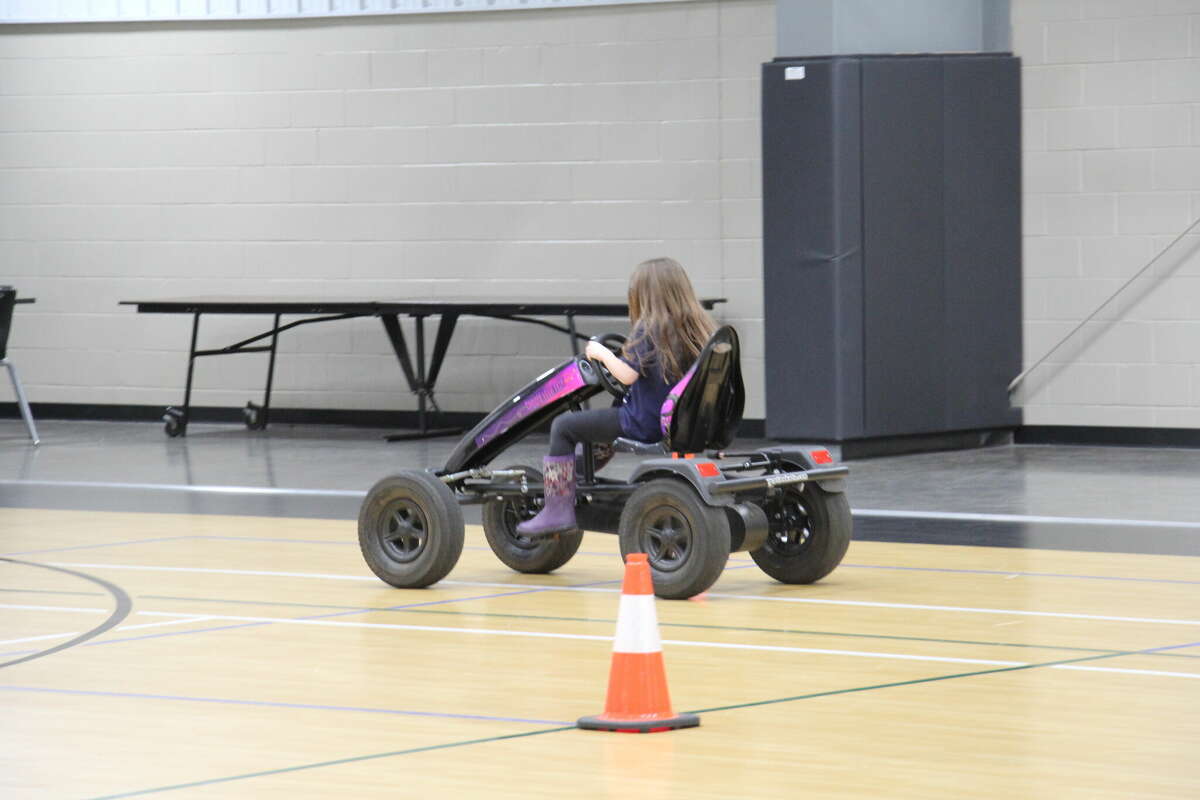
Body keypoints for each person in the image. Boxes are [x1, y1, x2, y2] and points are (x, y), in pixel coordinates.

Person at [516, 257, 716, 537]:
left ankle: (557, 508)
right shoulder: (697, 328)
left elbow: (627, 375)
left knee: (564, 426)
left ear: (645, 294)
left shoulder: (650, 327)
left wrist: (601, 354)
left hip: (644, 423)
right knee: (608, 417)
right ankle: (576, 476)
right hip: (678, 422)